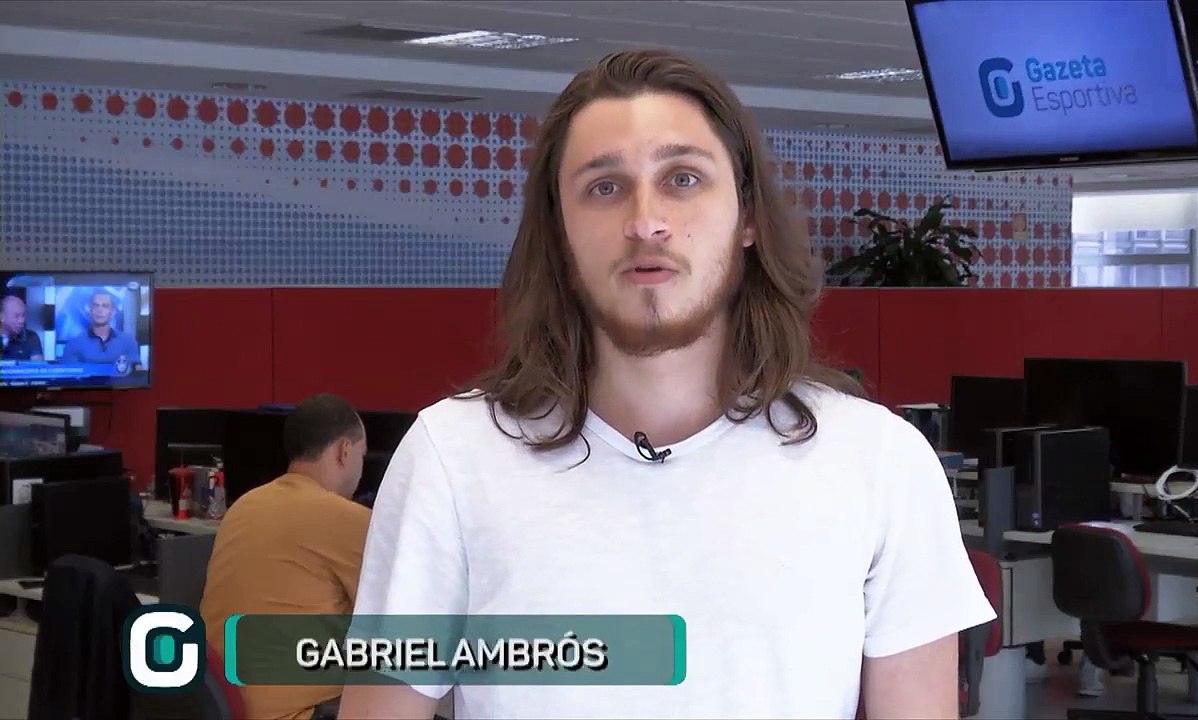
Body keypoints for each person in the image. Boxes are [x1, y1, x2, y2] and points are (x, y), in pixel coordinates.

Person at [339, 48, 994, 720]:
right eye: (604, 186)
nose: (645, 221)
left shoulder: (879, 464)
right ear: (560, 237)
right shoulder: (452, 458)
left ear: (747, 219)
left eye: (682, 179)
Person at [201, 394, 371, 720]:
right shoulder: (344, 518)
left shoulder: (244, 506)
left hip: (220, 706)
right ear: (344, 451)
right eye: (362, 456)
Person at [59, 289, 140, 367]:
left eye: (105, 306)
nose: (100, 310)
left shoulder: (128, 342)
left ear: (113, 312)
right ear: (90, 310)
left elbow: (134, 375)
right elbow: (69, 378)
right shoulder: (74, 344)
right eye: (96, 305)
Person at [1, 295, 44, 361]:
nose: (22, 320)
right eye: (16, 316)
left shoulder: (31, 337)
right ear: (2, 317)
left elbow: (37, 368)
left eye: (23, 315)